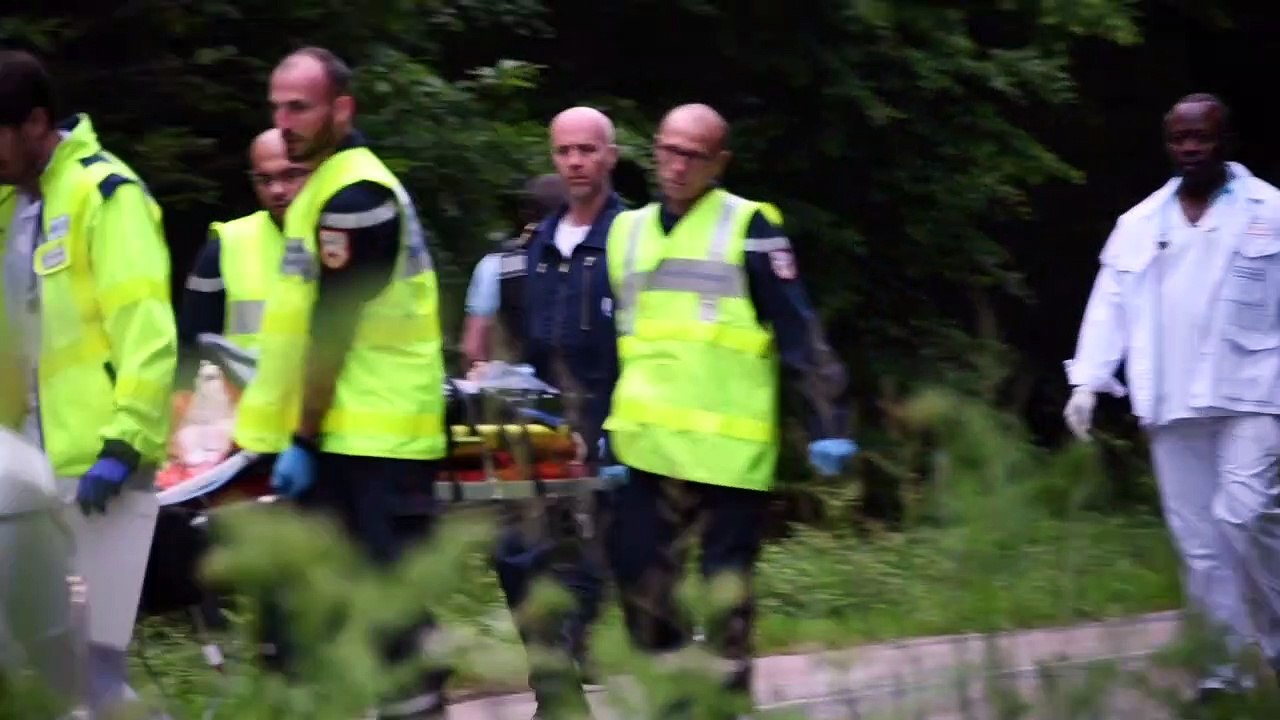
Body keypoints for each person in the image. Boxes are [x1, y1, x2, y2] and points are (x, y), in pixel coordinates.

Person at [601, 103, 857, 717]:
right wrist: (598, 431)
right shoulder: (626, 231)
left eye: (693, 154)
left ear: (720, 163)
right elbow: (616, 345)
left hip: (728, 453)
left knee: (723, 596)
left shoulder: (751, 227)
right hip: (644, 448)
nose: (677, 165)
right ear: (653, 150)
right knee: (641, 587)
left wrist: (828, 422)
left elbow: (799, 331)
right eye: (668, 149)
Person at [232, 47, 450, 719]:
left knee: (391, 624)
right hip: (338, 442)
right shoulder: (322, 190)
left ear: (341, 109)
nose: (284, 120)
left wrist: (301, 434)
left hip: (374, 443)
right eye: (276, 106)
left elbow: (333, 328)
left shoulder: (358, 196)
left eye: (299, 106)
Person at [1065, 93, 1280, 698]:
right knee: (1201, 546)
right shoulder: (1140, 223)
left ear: (1227, 140)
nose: (1190, 148)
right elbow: (1109, 304)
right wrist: (1087, 380)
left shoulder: (1271, 211)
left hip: (1255, 392)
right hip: (1171, 399)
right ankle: (1223, 674)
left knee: (1245, 516)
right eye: (1179, 139)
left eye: (1202, 137)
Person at [0, 50, 178, 717]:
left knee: (92, 668)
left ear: (36, 123)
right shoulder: (8, 210)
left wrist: (124, 445)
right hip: (22, 478)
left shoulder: (107, 195)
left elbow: (148, 334)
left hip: (99, 470)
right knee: (34, 663)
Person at [485, 106, 628, 718]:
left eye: (587, 151)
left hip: (615, 429)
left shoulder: (635, 236)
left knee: (587, 563)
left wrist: (618, 433)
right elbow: (523, 344)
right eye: (564, 151)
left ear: (610, 157)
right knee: (511, 553)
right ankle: (558, 690)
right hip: (541, 431)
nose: (575, 162)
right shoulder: (534, 248)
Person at [179, 128, 312, 353]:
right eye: (264, 180)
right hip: (248, 386)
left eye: (291, 175)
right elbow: (192, 347)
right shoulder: (226, 247)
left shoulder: (349, 237)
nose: (277, 190)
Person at [461, 174, 568, 365]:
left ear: (524, 214)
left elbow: (473, 347)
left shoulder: (495, 263)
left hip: (513, 385)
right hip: (578, 385)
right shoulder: (588, 260)